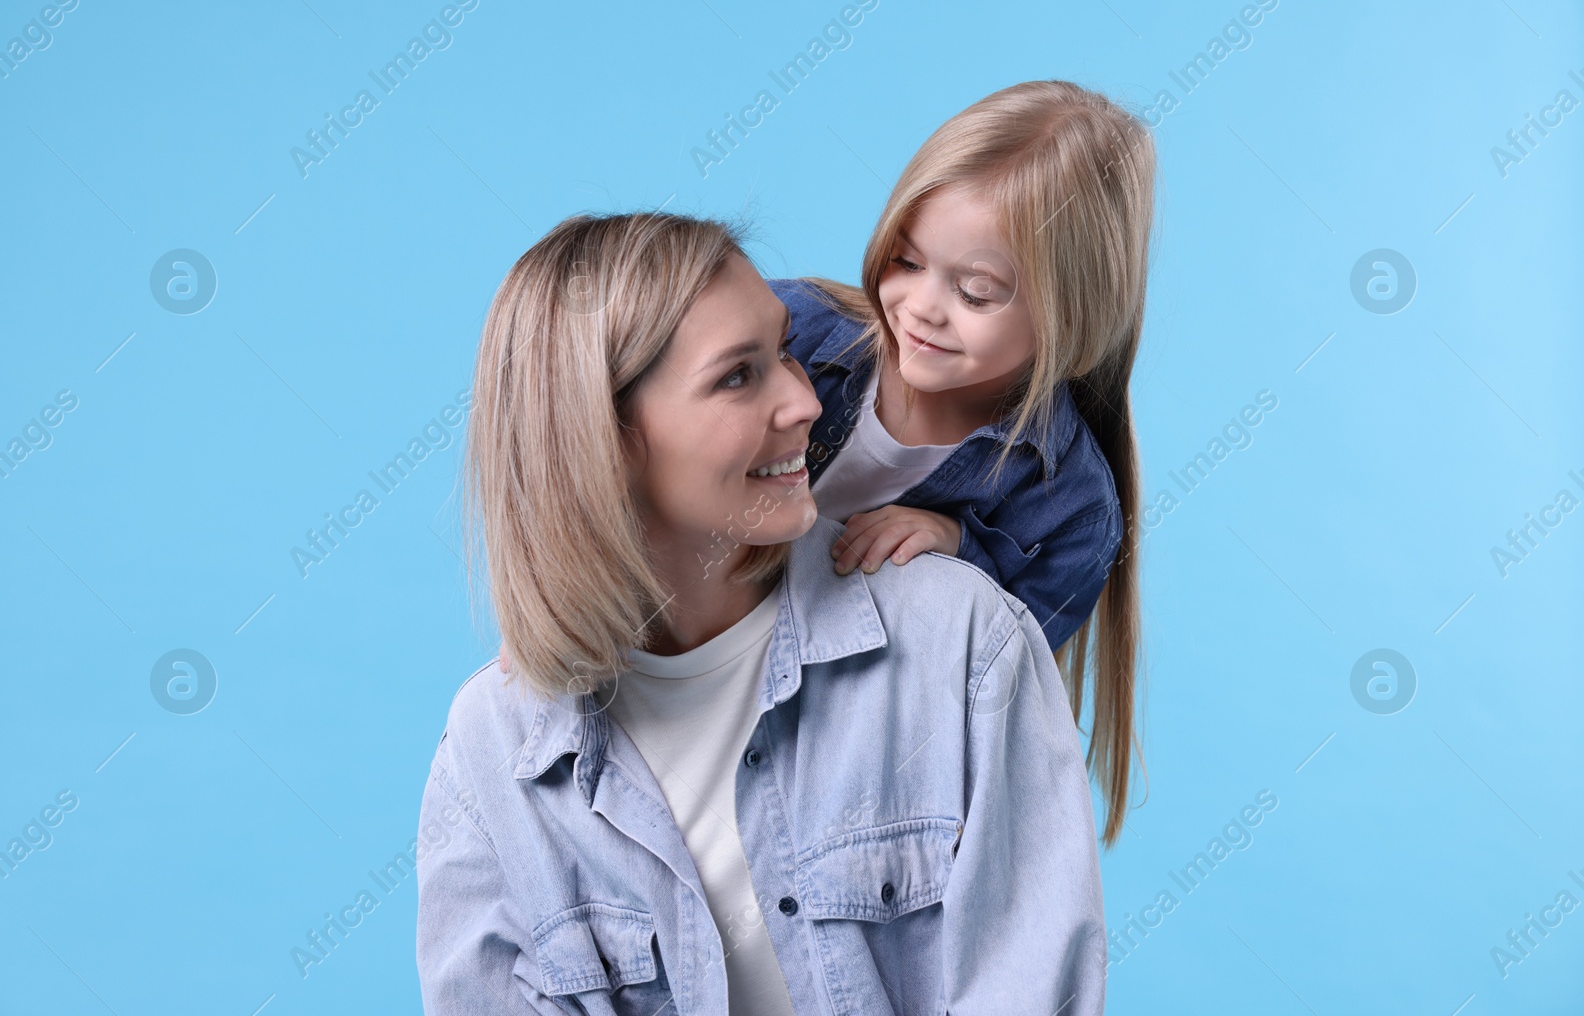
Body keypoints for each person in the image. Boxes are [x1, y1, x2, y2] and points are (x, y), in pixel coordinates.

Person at [416, 211, 1107, 1014]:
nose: (805, 401)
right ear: (603, 441)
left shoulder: (964, 644)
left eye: (784, 348)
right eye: (738, 375)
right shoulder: (492, 752)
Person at [770, 79, 1156, 846]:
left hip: (837, 785)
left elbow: (980, 700)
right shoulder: (790, 332)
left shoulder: (1070, 511)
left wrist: (958, 553)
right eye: (906, 260)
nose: (919, 305)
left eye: (975, 291)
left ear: (1073, 315)